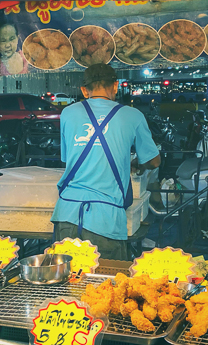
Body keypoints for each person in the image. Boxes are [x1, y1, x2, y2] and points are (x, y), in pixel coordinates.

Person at [51, 64, 160, 260]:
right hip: (106, 220)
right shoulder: (133, 115)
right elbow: (153, 161)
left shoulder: (68, 113)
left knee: (68, 282)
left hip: (66, 214)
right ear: (116, 86)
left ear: (84, 90)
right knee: (105, 283)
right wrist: (137, 165)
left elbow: (68, 159)